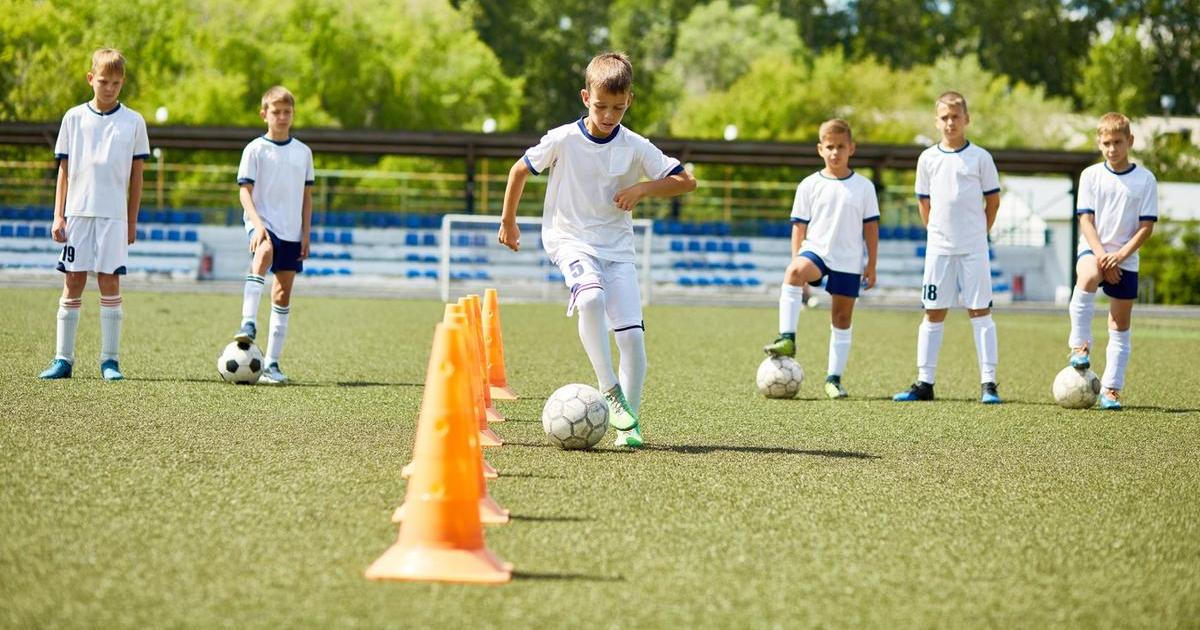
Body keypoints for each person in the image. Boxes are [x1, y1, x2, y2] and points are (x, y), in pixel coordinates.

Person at [497, 52, 696, 447]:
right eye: (602, 106)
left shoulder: (636, 146)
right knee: (590, 299)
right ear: (585, 96)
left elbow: (686, 181)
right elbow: (519, 170)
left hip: (617, 248)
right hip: (569, 238)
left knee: (632, 341)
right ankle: (609, 389)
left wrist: (643, 188)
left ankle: (629, 425)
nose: (609, 115)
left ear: (630, 102)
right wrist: (509, 221)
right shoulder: (563, 139)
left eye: (618, 108)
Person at [39, 48, 149, 380]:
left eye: (116, 82)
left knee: (109, 281)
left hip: (113, 217)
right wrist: (59, 215)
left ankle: (109, 361)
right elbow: (64, 170)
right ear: (91, 79)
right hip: (78, 213)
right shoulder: (73, 118)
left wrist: (131, 220)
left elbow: (137, 175)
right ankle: (63, 359)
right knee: (73, 280)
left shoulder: (133, 121)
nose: (110, 87)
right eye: (104, 81)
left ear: (123, 82)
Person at [894, 91, 1003, 404]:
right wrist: (936, 233)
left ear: (966, 119)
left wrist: (980, 233)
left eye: (956, 117)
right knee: (933, 312)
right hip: (939, 248)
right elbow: (923, 202)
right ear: (936, 121)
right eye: (944, 117)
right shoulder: (927, 158)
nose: (950, 122)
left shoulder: (980, 157)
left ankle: (989, 383)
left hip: (973, 248)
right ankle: (924, 382)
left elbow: (993, 201)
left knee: (980, 311)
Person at [763, 119, 879, 399]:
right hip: (817, 252)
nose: (835, 152)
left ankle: (833, 379)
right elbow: (798, 227)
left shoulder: (864, 187)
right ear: (820, 149)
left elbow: (871, 228)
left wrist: (871, 264)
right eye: (830, 147)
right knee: (793, 272)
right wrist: (796, 260)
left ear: (852, 148)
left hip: (849, 260)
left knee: (841, 318)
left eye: (841, 146)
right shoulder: (809, 184)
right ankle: (787, 339)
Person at [1066, 112, 1156, 410]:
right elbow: (1086, 220)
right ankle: (1079, 345)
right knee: (1089, 276)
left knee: (1119, 324)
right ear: (1099, 142)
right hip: (1094, 251)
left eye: (1118, 142)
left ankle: (1111, 390)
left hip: (1125, 258)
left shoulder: (1145, 180)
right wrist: (1104, 257)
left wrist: (1120, 256)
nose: (1112, 148)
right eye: (1106, 142)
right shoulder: (1091, 175)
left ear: (1130, 141)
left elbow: (1146, 227)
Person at [232, 86, 314, 385]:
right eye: (276, 112)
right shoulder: (254, 149)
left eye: (287, 112)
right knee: (263, 252)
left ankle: (272, 365)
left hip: (292, 230)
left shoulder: (303, 152)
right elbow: (244, 192)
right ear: (264, 114)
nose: (282, 117)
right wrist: (257, 223)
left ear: (293, 115)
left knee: (282, 293)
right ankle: (248, 322)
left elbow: (307, 197)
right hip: (262, 222)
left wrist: (306, 233)